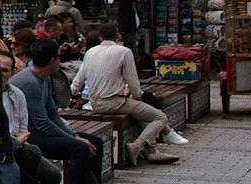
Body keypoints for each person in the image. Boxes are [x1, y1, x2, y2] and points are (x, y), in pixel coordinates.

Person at [13, 38, 121, 184]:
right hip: (29, 135)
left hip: (40, 130)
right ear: (52, 60)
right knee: (78, 149)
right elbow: (41, 123)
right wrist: (74, 139)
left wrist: (74, 135)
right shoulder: (29, 82)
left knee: (93, 141)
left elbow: (53, 115)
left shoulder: (44, 79)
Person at [72, 23, 179, 164]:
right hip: (115, 102)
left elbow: (78, 81)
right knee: (160, 117)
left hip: (96, 103)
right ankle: (136, 146)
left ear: (100, 36)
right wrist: (137, 97)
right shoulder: (124, 52)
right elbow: (133, 82)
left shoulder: (90, 52)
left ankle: (152, 151)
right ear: (117, 36)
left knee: (140, 113)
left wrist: (72, 93)